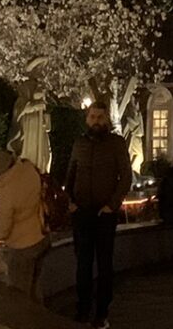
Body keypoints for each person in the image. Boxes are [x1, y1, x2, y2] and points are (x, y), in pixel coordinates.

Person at [63, 101, 131, 329]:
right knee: (82, 262)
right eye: (92, 117)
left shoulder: (116, 144)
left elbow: (126, 177)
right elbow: (70, 174)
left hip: (105, 213)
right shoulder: (79, 143)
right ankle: (82, 308)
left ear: (107, 120)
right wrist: (70, 201)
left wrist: (112, 205)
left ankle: (102, 311)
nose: (96, 121)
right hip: (81, 211)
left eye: (100, 117)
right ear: (87, 119)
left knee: (104, 262)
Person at [0, 148, 48, 299]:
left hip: (23, 247)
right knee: (35, 287)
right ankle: (38, 316)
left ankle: (23, 321)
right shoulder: (28, 169)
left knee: (19, 294)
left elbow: (0, 232)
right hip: (41, 237)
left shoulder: (4, 195)